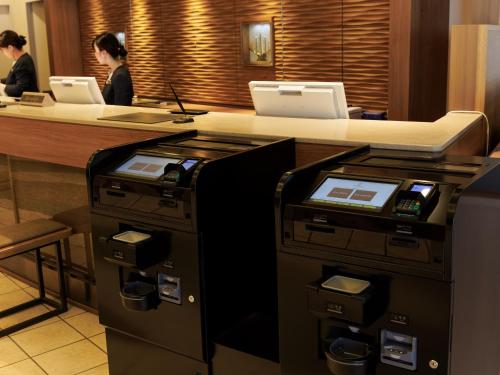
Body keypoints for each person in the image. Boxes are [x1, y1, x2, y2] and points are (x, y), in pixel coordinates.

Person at [93, 32, 134, 106]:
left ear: (104, 53)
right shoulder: (113, 72)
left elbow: (121, 108)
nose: (95, 55)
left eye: (96, 52)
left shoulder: (120, 75)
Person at [0, 30, 38, 97]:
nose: (3, 53)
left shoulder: (23, 62)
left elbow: (20, 89)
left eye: (2, 50)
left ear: (10, 48)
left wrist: (2, 87)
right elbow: (14, 78)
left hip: (29, 103)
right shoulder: (21, 60)